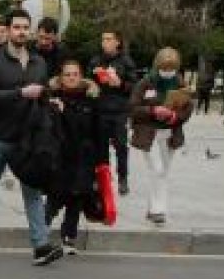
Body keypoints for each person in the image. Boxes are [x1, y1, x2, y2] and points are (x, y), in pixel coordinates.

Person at [0, 9, 63, 267]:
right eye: (17, 27)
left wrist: (50, 99)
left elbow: (39, 94)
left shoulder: (38, 62)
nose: (21, 31)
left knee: (32, 194)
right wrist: (20, 92)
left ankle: (41, 246)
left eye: (25, 27)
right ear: (8, 30)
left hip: (27, 139)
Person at [46, 60, 107, 254]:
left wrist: (103, 162)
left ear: (81, 77)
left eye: (75, 74)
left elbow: (100, 133)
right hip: (60, 156)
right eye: (67, 74)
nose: (71, 78)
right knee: (54, 197)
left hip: (84, 157)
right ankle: (40, 234)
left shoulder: (92, 100)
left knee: (77, 198)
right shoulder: (52, 99)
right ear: (61, 78)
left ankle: (69, 237)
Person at [129, 47, 193, 226]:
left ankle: (152, 208)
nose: (168, 72)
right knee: (157, 170)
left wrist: (175, 116)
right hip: (149, 133)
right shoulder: (145, 83)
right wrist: (153, 110)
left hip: (170, 133)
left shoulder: (180, 83)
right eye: (164, 69)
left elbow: (188, 108)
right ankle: (159, 209)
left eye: (171, 69)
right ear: (157, 66)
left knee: (163, 172)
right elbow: (132, 108)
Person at [88, 30, 137, 196]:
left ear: (117, 42)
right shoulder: (96, 60)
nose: (105, 42)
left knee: (121, 146)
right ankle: (102, 178)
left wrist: (120, 83)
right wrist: (94, 78)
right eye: (103, 39)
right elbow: (86, 82)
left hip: (119, 111)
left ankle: (123, 177)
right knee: (100, 146)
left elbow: (133, 86)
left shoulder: (126, 61)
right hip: (100, 109)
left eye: (109, 39)